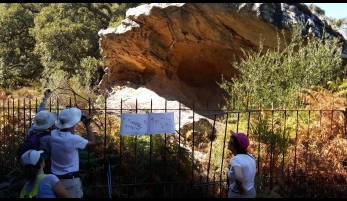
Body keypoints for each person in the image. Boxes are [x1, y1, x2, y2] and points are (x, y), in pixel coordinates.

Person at [50, 106, 95, 198]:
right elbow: (92, 142)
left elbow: (60, 127)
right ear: (74, 122)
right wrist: (87, 124)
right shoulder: (73, 139)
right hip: (70, 180)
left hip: (55, 179)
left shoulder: (53, 134)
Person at [19, 89, 57, 174]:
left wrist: (45, 98)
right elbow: (45, 158)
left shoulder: (32, 130)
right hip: (43, 171)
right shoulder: (47, 139)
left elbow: (39, 114)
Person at [227, 130, 257, 198]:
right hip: (251, 192)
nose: (228, 143)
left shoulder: (236, 159)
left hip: (239, 195)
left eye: (230, 142)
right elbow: (247, 170)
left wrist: (240, 188)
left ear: (236, 146)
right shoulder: (251, 157)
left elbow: (239, 178)